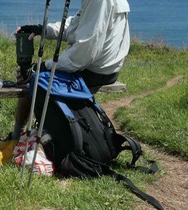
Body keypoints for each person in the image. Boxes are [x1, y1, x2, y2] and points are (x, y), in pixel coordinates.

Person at [12, 0, 130, 139]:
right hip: (104, 66)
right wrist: (43, 29)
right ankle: (32, 133)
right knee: (34, 73)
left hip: (94, 71)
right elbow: (78, 24)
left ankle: (19, 136)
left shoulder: (98, 1)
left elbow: (83, 53)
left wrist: (41, 67)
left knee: (32, 79)